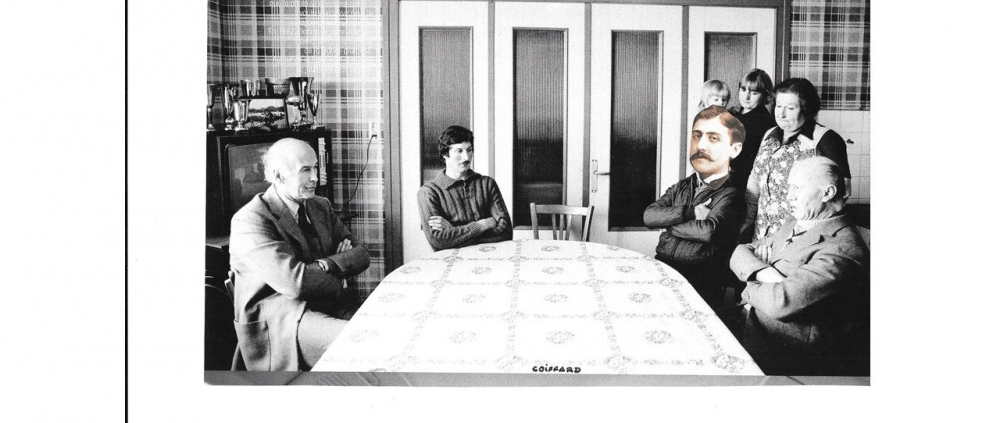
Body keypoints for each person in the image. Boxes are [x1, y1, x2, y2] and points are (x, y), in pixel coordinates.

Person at [229, 138, 371, 371]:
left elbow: (362, 254)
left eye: (315, 167)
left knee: (382, 330)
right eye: (305, 170)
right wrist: (341, 274)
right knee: (360, 342)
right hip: (281, 318)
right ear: (278, 176)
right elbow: (295, 283)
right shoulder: (250, 219)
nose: (315, 177)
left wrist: (326, 264)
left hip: (326, 304)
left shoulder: (320, 206)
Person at [730, 157, 868, 376]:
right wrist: (766, 272)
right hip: (752, 325)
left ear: (827, 193)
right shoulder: (796, 223)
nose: (789, 196)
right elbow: (739, 252)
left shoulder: (844, 249)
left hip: (785, 354)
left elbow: (779, 303)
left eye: (798, 188)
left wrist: (751, 276)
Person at [643, 106, 745, 307]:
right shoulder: (682, 186)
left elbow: (708, 232)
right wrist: (691, 213)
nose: (701, 146)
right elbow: (649, 216)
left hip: (700, 279)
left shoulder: (731, 194)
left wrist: (669, 223)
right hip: (664, 267)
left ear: (733, 150)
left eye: (713, 138)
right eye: (697, 136)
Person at [743, 77, 852, 242]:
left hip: (798, 239)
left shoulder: (825, 139)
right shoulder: (769, 135)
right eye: (778, 106)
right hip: (761, 235)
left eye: (790, 108)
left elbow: (841, 196)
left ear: (806, 109)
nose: (781, 114)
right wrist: (745, 225)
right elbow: (755, 183)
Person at [417, 125, 513, 251]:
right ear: (445, 154)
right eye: (459, 151)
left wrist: (454, 232)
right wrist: (482, 225)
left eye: (469, 150)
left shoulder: (487, 184)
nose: (466, 157)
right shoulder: (429, 192)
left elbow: (506, 232)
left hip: (489, 258)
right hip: (450, 261)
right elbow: (438, 241)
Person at [731, 69, 776, 190]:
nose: (746, 97)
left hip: (741, 181)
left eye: (754, 93)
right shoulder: (734, 113)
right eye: (743, 89)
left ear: (765, 95)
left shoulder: (763, 121)